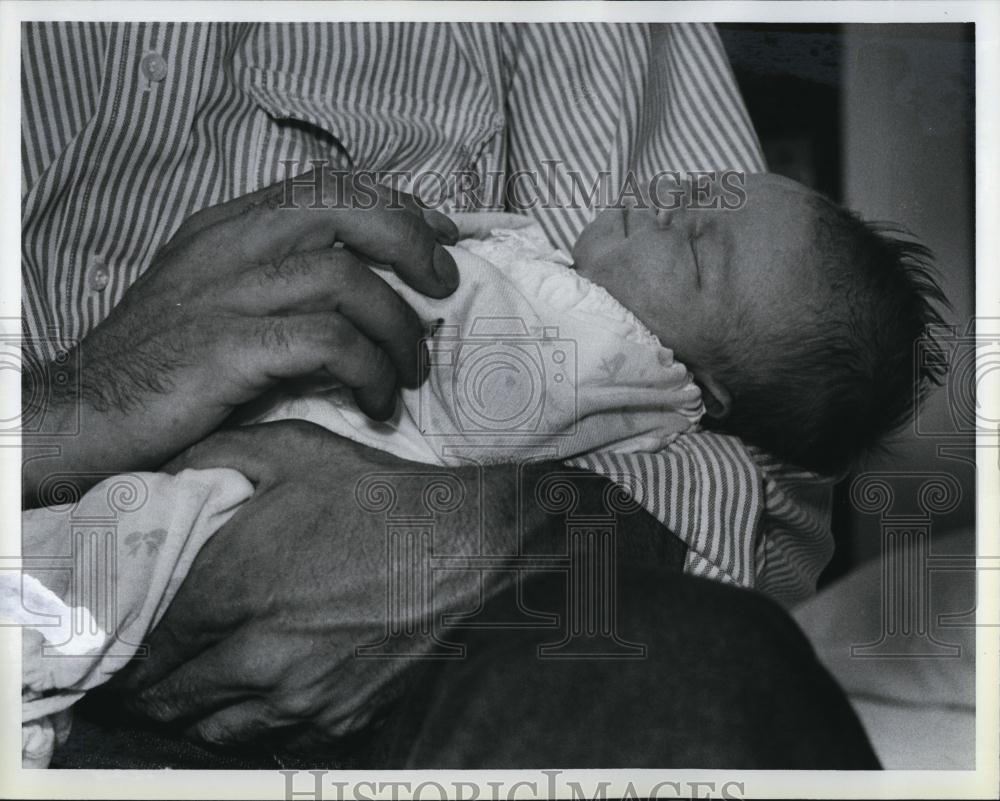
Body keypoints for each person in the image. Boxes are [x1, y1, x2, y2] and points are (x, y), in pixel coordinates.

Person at [19, 21, 880, 767]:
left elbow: (761, 463)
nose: (662, 205)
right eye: (679, 205)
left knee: (707, 667)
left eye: (694, 238)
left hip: (427, 676)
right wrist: (63, 409)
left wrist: (531, 533)